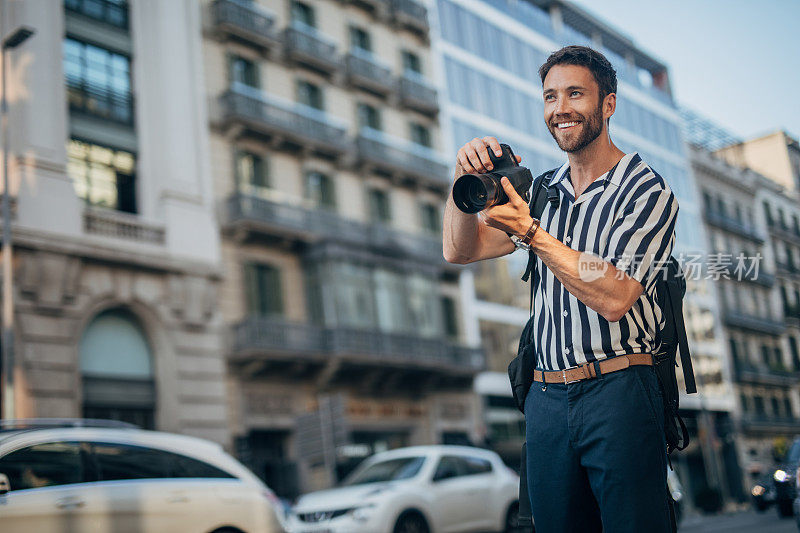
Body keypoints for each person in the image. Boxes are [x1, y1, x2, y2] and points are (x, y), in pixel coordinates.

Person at [443, 45, 678, 533]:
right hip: (546, 398)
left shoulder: (645, 189)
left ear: (607, 104)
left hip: (620, 389)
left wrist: (531, 233)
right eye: (550, 97)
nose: (560, 109)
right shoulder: (542, 190)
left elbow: (615, 295)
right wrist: (462, 183)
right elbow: (459, 251)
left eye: (575, 94)